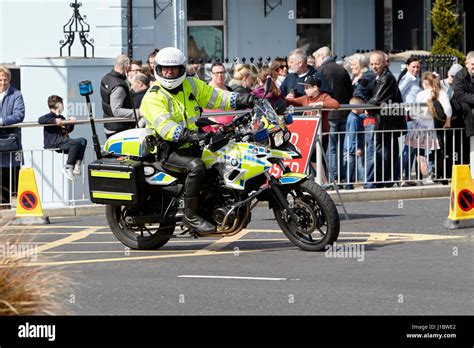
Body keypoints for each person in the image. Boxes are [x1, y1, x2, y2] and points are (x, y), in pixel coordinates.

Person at [140, 47, 257, 234]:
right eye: (164, 69)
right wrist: (191, 135)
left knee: (222, 159)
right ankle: (191, 216)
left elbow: (217, 97)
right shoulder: (154, 96)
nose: (169, 72)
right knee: (196, 167)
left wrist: (245, 99)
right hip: (168, 149)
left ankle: (217, 206)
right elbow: (166, 127)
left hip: (192, 143)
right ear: (158, 70)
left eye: (174, 68)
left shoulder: (191, 85)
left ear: (182, 68)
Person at [365, 51, 406, 188]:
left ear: (384, 63)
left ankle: (381, 181)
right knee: (385, 151)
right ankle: (384, 180)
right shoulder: (377, 77)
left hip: (386, 122)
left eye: (377, 63)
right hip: (384, 121)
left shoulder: (387, 78)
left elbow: (377, 99)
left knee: (383, 152)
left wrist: (365, 106)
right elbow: (363, 91)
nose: (374, 66)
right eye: (372, 64)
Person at [403, 72, 452, 185]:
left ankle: (420, 178)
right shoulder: (440, 93)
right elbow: (448, 109)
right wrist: (448, 120)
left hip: (419, 126)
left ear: (424, 83)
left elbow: (413, 113)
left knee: (419, 151)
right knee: (437, 151)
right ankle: (439, 175)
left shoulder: (420, 95)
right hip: (433, 126)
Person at [313, 46, 352, 183]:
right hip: (343, 111)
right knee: (341, 147)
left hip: (329, 114)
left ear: (322, 57)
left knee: (332, 148)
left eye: (316, 57)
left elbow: (318, 92)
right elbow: (350, 91)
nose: (315, 61)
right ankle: (341, 177)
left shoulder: (321, 70)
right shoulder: (342, 69)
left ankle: (334, 178)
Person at [38, 95, 88, 181]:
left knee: (82, 141)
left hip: (63, 141)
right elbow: (40, 120)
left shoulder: (62, 118)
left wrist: (71, 122)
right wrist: (54, 121)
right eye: (62, 104)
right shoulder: (49, 116)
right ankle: (68, 167)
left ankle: (77, 164)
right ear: (58, 105)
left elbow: (68, 130)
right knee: (75, 144)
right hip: (55, 142)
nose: (64, 106)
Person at [0, 65, 25, 208]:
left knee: (7, 174)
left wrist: (2, 121)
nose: (2, 83)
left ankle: (4, 207)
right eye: (0, 80)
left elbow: (19, 115)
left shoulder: (16, 95)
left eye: (5, 80)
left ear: (9, 80)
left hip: (9, 141)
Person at [100, 54, 140, 138]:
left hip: (109, 125)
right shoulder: (119, 86)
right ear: (127, 67)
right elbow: (116, 111)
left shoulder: (106, 78)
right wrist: (139, 112)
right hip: (118, 129)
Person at [398, 57, 422, 185]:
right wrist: (406, 107)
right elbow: (398, 92)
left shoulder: (416, 79)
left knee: (413, 148)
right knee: (409, 147)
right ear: (407, 67)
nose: (416, 69)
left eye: (418, 67)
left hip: (417, 117)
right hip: (410, 117)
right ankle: (402, 176)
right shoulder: (407, 78)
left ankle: (406, 176)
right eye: (413, 66)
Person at [452, 51, 474, 169]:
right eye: (473, 64)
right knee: (463, 148)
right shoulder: (459, 76)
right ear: (466, 64)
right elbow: (459, 94)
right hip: (462, 118)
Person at [343, 97, 365, 189]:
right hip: (351, 148)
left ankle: (349, 184)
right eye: (362, 106)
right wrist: (356, 148)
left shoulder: (353, 116)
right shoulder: (354, 119)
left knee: (351, 166)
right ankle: (348, 185)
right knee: (350, 167)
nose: (364, 108)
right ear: (357, 107)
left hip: (350, 147)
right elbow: (353, 134)